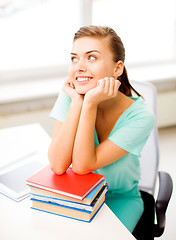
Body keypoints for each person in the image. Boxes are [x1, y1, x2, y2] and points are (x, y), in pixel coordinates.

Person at [48, 25, 155, 232]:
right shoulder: (71, 96)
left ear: (117, 69)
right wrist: (78, 104)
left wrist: (89, 104)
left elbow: (82, 165)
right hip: (78, 195)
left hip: (118, 199)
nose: (79, 66)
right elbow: (58, 165)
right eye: (74, 58)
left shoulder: (141, 117)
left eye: (91, 57)